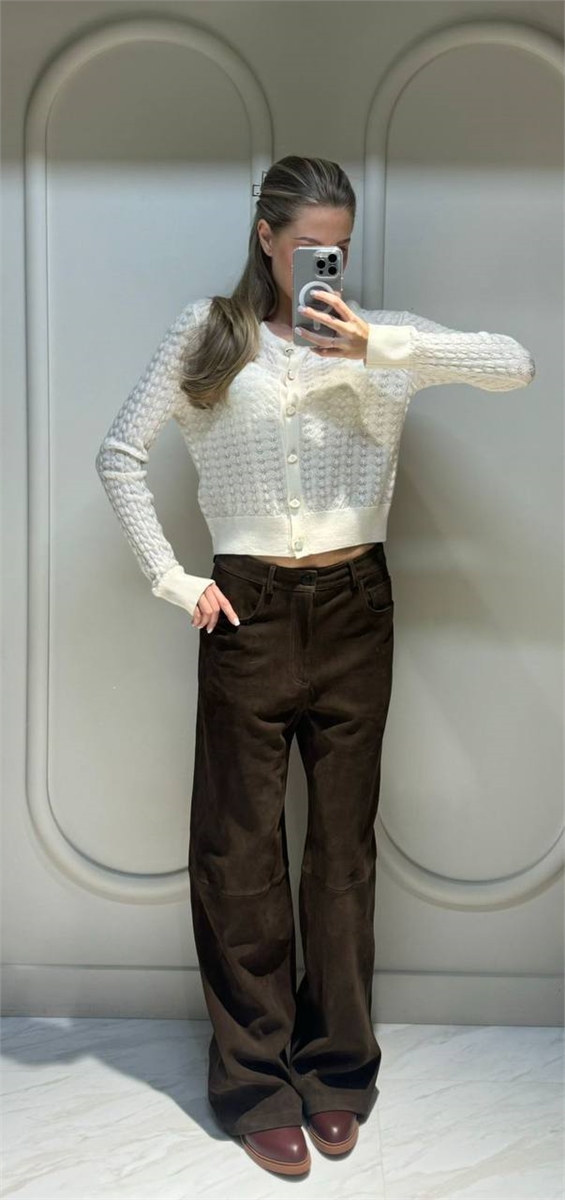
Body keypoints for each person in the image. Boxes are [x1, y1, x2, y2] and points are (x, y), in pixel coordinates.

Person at [95, 155, 536, 1178]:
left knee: (340, 857)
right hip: (244, 610)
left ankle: (337, 1068)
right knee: (239, 855)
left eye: (337, 246)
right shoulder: (208, 333)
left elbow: (513, 363)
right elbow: (120, 453)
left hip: (355, 611)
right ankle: (255, 1083)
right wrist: (173, 579)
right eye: (305, 247)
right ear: (265, 239)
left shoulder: (382, 339)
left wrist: (377, 343)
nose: (321, 264)